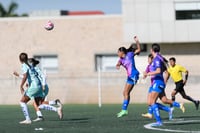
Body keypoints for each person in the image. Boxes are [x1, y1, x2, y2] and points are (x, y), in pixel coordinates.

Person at [144, 44, 185, 127]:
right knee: (164, 100)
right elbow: (165, 70)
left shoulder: (156, 59)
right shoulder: (159, 57)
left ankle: (159, 121)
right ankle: (176, 106)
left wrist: (149, 73)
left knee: (152, 102)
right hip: (159, 83)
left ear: (152, 50)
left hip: (158, 83)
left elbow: (159, 71)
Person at [116, 36, 141, 118]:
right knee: (125, 93)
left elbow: (139, 50)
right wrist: (118, 65)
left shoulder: (130, 54)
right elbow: (118, 63)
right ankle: (124, 110)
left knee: (126, 92)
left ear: (122, 52)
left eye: (118, 52)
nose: (117, 53)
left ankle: (124, 110)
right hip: (129, 76)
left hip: (134, 75)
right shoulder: (120, 59)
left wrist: (137, 42)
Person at [17, 53, 43, 124]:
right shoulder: (30, 64)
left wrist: (21, 86)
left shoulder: (24, 65)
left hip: (34, 86)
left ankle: (27, 119)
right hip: (38, 85)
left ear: (20, 59)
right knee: (39, 104)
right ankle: (41, 115)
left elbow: (25, 76)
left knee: (22, 102)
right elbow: (29, 75)